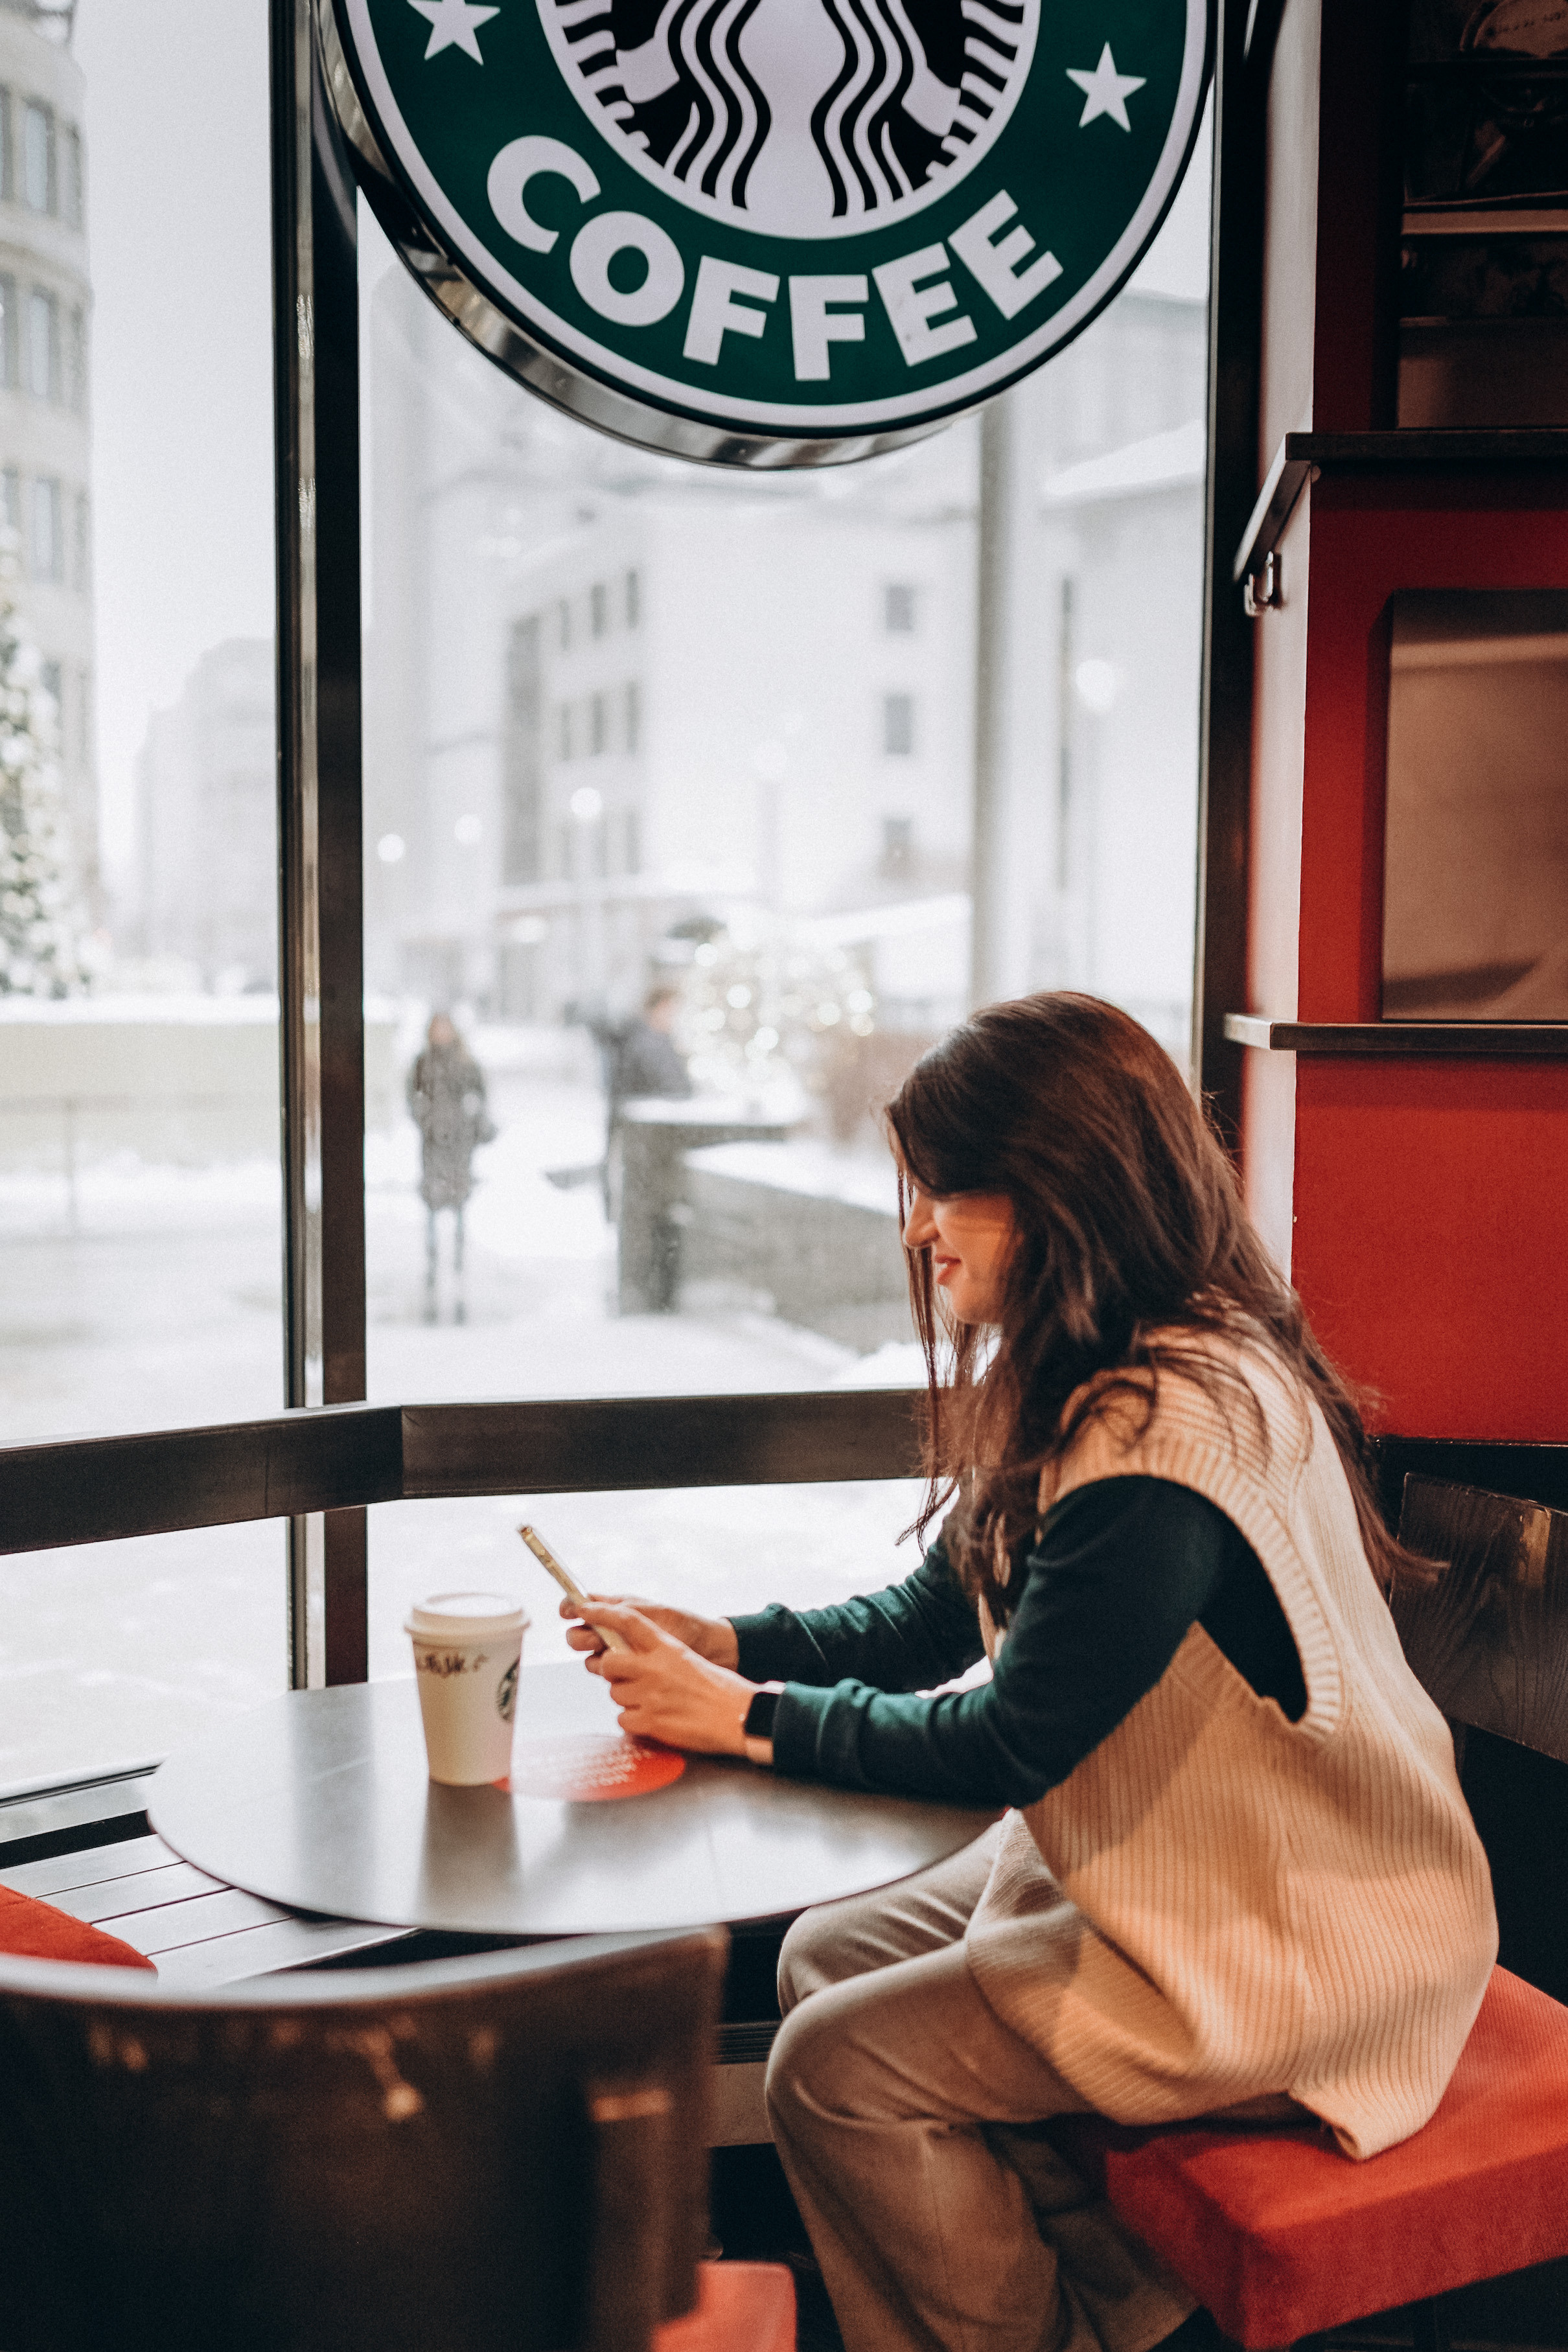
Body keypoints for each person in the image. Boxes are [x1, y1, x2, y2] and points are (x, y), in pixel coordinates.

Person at [559, 993, 1498, 2352]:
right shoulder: (1112, 1370)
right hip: (1204, 1875)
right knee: (825, 1954)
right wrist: (731, 1645)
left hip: (1304, 1943)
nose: (915, 1228)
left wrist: (746, 1720)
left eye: (947, 1191)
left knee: (833, 2072)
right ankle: (1105, 2310)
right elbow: (929, 1619)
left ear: (1059, 1189)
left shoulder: (1165, 1429)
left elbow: (1008, 1743)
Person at [405, 1012, 494, 1322]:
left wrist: (467, 1122)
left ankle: (457, 1258)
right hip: (434, 1142)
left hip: (458, 1143)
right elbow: (412, 1096)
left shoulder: (465, 1062)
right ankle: (433, 1260)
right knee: (433, 1200)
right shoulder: (423, 1061)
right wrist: (427, 1119)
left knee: (458, 1202)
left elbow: (480, 1096)